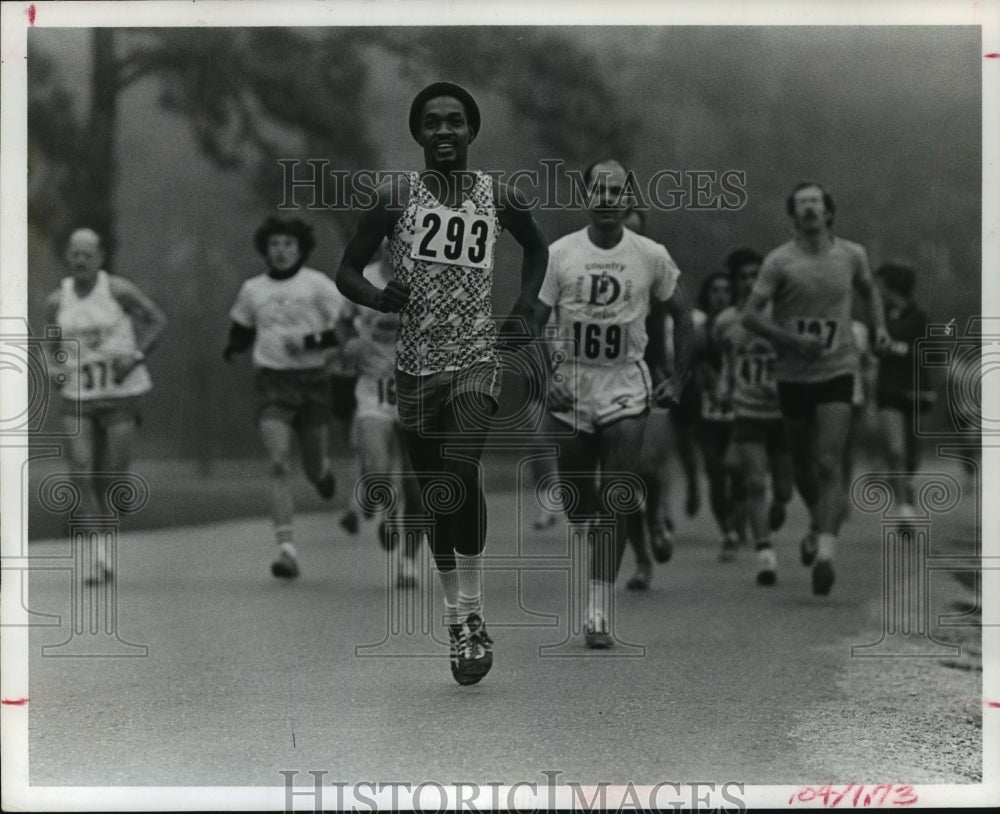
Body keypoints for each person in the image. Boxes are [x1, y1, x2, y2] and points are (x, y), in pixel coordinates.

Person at [335, 82, 549, 685]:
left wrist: (526, 303)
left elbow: (537, 251)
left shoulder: (500, 196)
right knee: (436, 497)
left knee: (461, 472)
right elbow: (345, 271)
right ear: (419, 134)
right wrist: (380, 296)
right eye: (433, 122)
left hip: (476, 356)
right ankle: (457, 622)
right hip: (414, 365)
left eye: (456, 120)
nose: (445, 131)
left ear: (472, 130)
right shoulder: (393, 198)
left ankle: (475, 613)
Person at [535, 159, 694, 647]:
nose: (606, 198)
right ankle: (594, 540)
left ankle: (598, 610)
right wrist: (548, 379)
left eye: (616, 190)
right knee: (580, 503)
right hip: (573, 388)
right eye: (598, 189)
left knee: (617, 494)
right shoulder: (560, 254)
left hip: (626, 384)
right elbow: (532, 323)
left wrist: (680, 378)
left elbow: (684, 315)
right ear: (586, 197)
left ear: (629, 199)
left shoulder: (650, 255)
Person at [743, 182, 889, 595]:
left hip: (837, 370)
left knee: (828, 462)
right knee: (803, 464)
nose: (810, 210)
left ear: (828, 214)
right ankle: (816, 522)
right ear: (793, 216)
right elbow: (750, 317)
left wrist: (880, 329)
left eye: (816, 204)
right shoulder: (778, 262)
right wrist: (791, 341)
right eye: (802, 205)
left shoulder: (851, 254)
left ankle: (826, 553)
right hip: (792, 376)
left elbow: (869, 291)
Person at [44, 228, 167, 584]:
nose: (81, 260)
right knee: (81, 474)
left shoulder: (118, 291)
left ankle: (120, 489)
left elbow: (158, 320)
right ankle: (101, 559)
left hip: (120, 395)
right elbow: (49, 344)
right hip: (79, 397)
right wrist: (53, 368)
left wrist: (136, 356)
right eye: (75, 254)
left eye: (88, 254)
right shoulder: (57, 300)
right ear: (68, 257)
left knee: (114, 478)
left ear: (100, 258)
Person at [224, 216, 341, 580]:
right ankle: (286, 550)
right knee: (277, 462)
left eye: (289, 244)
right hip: (272, 382)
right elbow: (242, 328)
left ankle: (322, 474)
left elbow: (344, 331)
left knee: (311, 466)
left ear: (301, 248)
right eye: (275, 244)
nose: (281, 251)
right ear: (265, 249)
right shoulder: (252, 290)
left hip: (313, 382)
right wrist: (233, 347)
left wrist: (308, 342)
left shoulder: (318, 286)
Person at [340, 242, 426, 587]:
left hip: (418, 390)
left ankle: (408, 563)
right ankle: (389, 515)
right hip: (373, 389)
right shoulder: (363, 280)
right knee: (376, 473)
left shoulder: (428, 280)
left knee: (416, 485)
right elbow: (343, 326)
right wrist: (351, 344)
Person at [714, 248, 793, 585]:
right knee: (755, 482)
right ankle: (766, 556)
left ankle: (780, 503)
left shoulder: (783, 315)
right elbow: (727, 362)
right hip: (748, 410)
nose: (749, 282)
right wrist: (724, 386)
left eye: (754, 275)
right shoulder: (726, 322)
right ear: (736, 282)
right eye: (743, 277)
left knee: (785, 489)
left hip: (784, 411)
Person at [627, 208, 677, 591]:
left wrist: (674, 374)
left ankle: (658, 515)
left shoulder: (656, 267)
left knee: (651, 466)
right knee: (623, 479)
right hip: (606, 381)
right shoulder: (586, 269)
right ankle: (642, 558)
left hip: (652, 373)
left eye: (636, 233)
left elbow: (681, 317)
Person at [872, 262, 932, 516]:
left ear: (892, 286)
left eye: (881, 285)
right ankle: (903, 508)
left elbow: (930, 352)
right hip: (888, 389)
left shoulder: (919, 317)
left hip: (914, 390)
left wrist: (899, 349)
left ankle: (905, 485)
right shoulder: (879, 316)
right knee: (895, 449)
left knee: (911, 455)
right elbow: (873, 347)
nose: (878, 290)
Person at [693, 271, 741, 561]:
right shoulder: (701, 329)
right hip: (709, 409)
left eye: (726, 290)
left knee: (737, 470)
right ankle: (728, 531)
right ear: (707, 295)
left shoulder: (745, 322)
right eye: (715, 290)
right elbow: (692, 365)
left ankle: (739, 517)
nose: (720, 296)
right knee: (714, 471)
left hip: (741, 408)